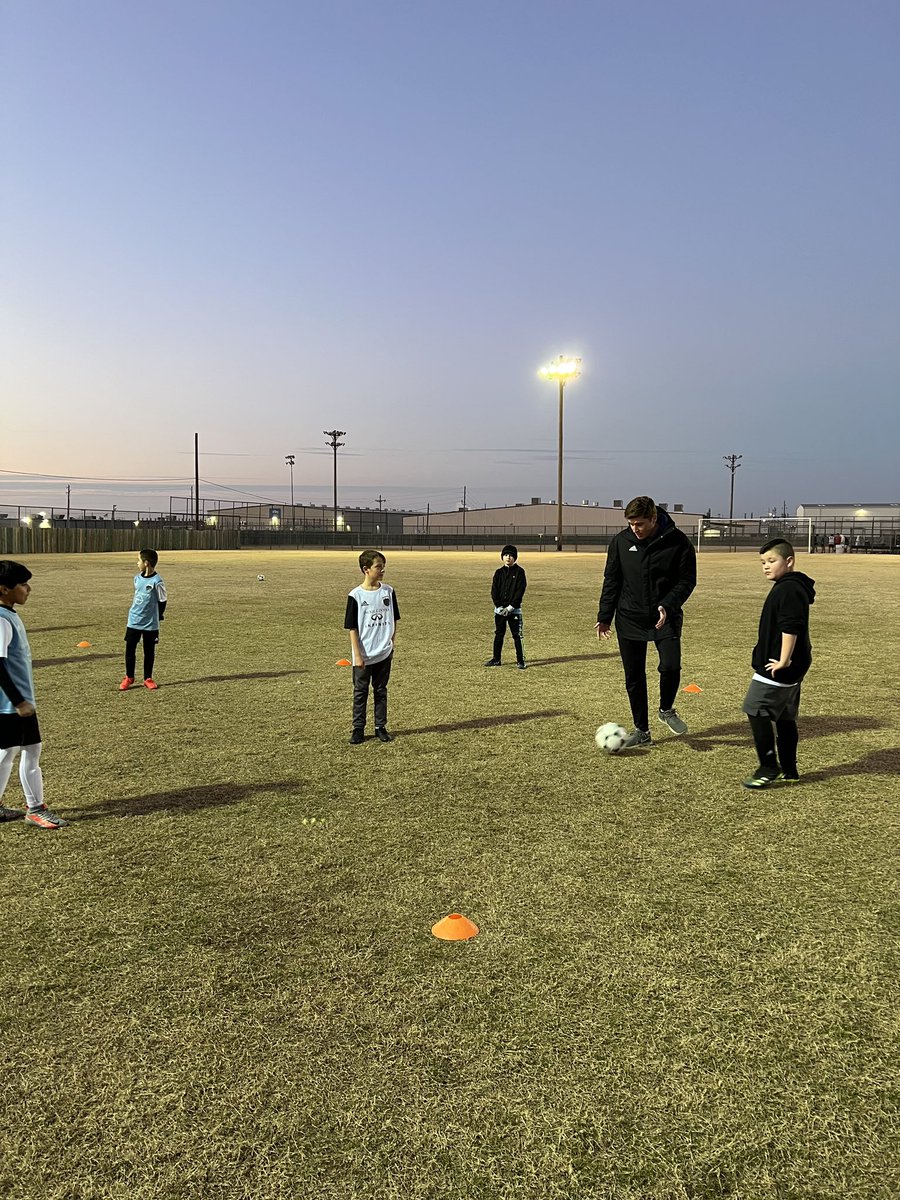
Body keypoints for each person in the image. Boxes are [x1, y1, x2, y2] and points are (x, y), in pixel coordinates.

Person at [595, 496, 697, 748]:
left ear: (654, 518)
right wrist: (605, 617)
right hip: (629, 617)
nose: (635, 529)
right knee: (634, 676)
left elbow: (687, 580)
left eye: (640, 524)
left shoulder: (678, 542)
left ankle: (666, 710)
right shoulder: (620, 542)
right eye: (631, 524)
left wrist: (668, 604)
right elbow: (612, 580)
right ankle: (642, 731)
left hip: (665, 617)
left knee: (671, 666)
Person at [741, 539, 815, 788]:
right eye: (763, 562)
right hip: (791, 666)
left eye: (772, 561)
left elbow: (790, 626)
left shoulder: (789, 589)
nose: (766, 566)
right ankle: (790, 770)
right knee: (784, 717)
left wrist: (783, 660)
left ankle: (768, 766)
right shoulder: (790, 586)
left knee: (755, 708)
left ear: (789, 561)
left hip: (778, 666)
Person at [0, 561, 67, 828]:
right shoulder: (2, 621)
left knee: (10, 753)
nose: (29, 589)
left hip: (13, 704)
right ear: (4, 589)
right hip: (11, 705)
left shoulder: (8, 614)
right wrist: (18, 701)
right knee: (26, 751)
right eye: (23, 584)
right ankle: (36, 808)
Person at [344, 550, 400, 744]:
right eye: (378, 566)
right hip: (364, 655)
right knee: (360, 692)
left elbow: (394, 619)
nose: (382, 570)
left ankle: (380, 727)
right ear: (366, 569)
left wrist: (391, 643)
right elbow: (352, 627)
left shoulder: (388, 592)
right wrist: (357, 655)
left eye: (383, 566)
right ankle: (358, 729)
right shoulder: (355, 596)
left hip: (384, 653)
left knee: (381, 690)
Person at [120, 548, 167, 691]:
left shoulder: (157, 581)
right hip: (134, 620)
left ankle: (148, 678)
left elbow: (162, 600)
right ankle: (129, 677)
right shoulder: (137, 578)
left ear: (146, 563)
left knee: (149, 651)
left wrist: (158, 616)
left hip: (150, 624)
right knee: (130, 650)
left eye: (139, 560)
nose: (137, 563)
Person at [484, 544, 527, 669]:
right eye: (506, 555)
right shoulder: (498, 573)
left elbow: (520, 591)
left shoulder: (520, 572)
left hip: (514, 611)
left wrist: (511, 607)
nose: (508, 558)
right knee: (499, 634)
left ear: (515, 558)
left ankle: (520, 661)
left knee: (517, 635)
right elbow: (494, 591)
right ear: (502, 557)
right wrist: (499, 606)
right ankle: (496, 659)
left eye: (511, 555)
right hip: (500, 611)